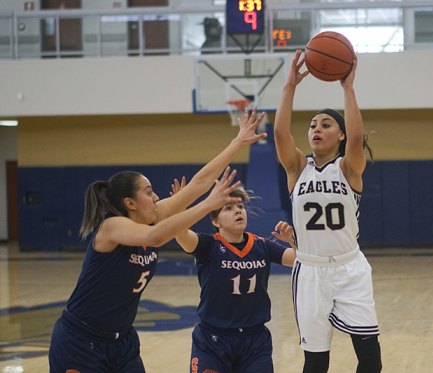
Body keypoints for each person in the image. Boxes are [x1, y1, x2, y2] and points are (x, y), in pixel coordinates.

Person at [48, 108, 267, 373]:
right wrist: (209, 203)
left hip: (122, 341)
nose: (155, 198)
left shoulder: (150, 217)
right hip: (80, 341)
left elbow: (199, 183)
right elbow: (155, 237)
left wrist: (237, 142)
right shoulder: (111, 227)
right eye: (149, 192)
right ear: (130, 203)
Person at [273, 50, 381, 373]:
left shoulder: (349, 168)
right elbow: (280, 134)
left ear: (341, 134)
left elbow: (359, 138)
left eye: (326, 124)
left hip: (350, 269)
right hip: (310, 271)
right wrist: (289, 86)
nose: (316, 130)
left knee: (371, 359)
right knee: (316, 363)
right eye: (312, 125)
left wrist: (348, 88)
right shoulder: (297, 168)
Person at [173, 183, 296, 373]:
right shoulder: (208, 246)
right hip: (213, 340)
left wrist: (292, 241)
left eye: (240, 206)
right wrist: (180, 206)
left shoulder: (262, 246)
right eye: (229, 208)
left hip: (254, 341)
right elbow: (181, 234)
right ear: (216, 222)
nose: (238, 211)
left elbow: (299, 260)